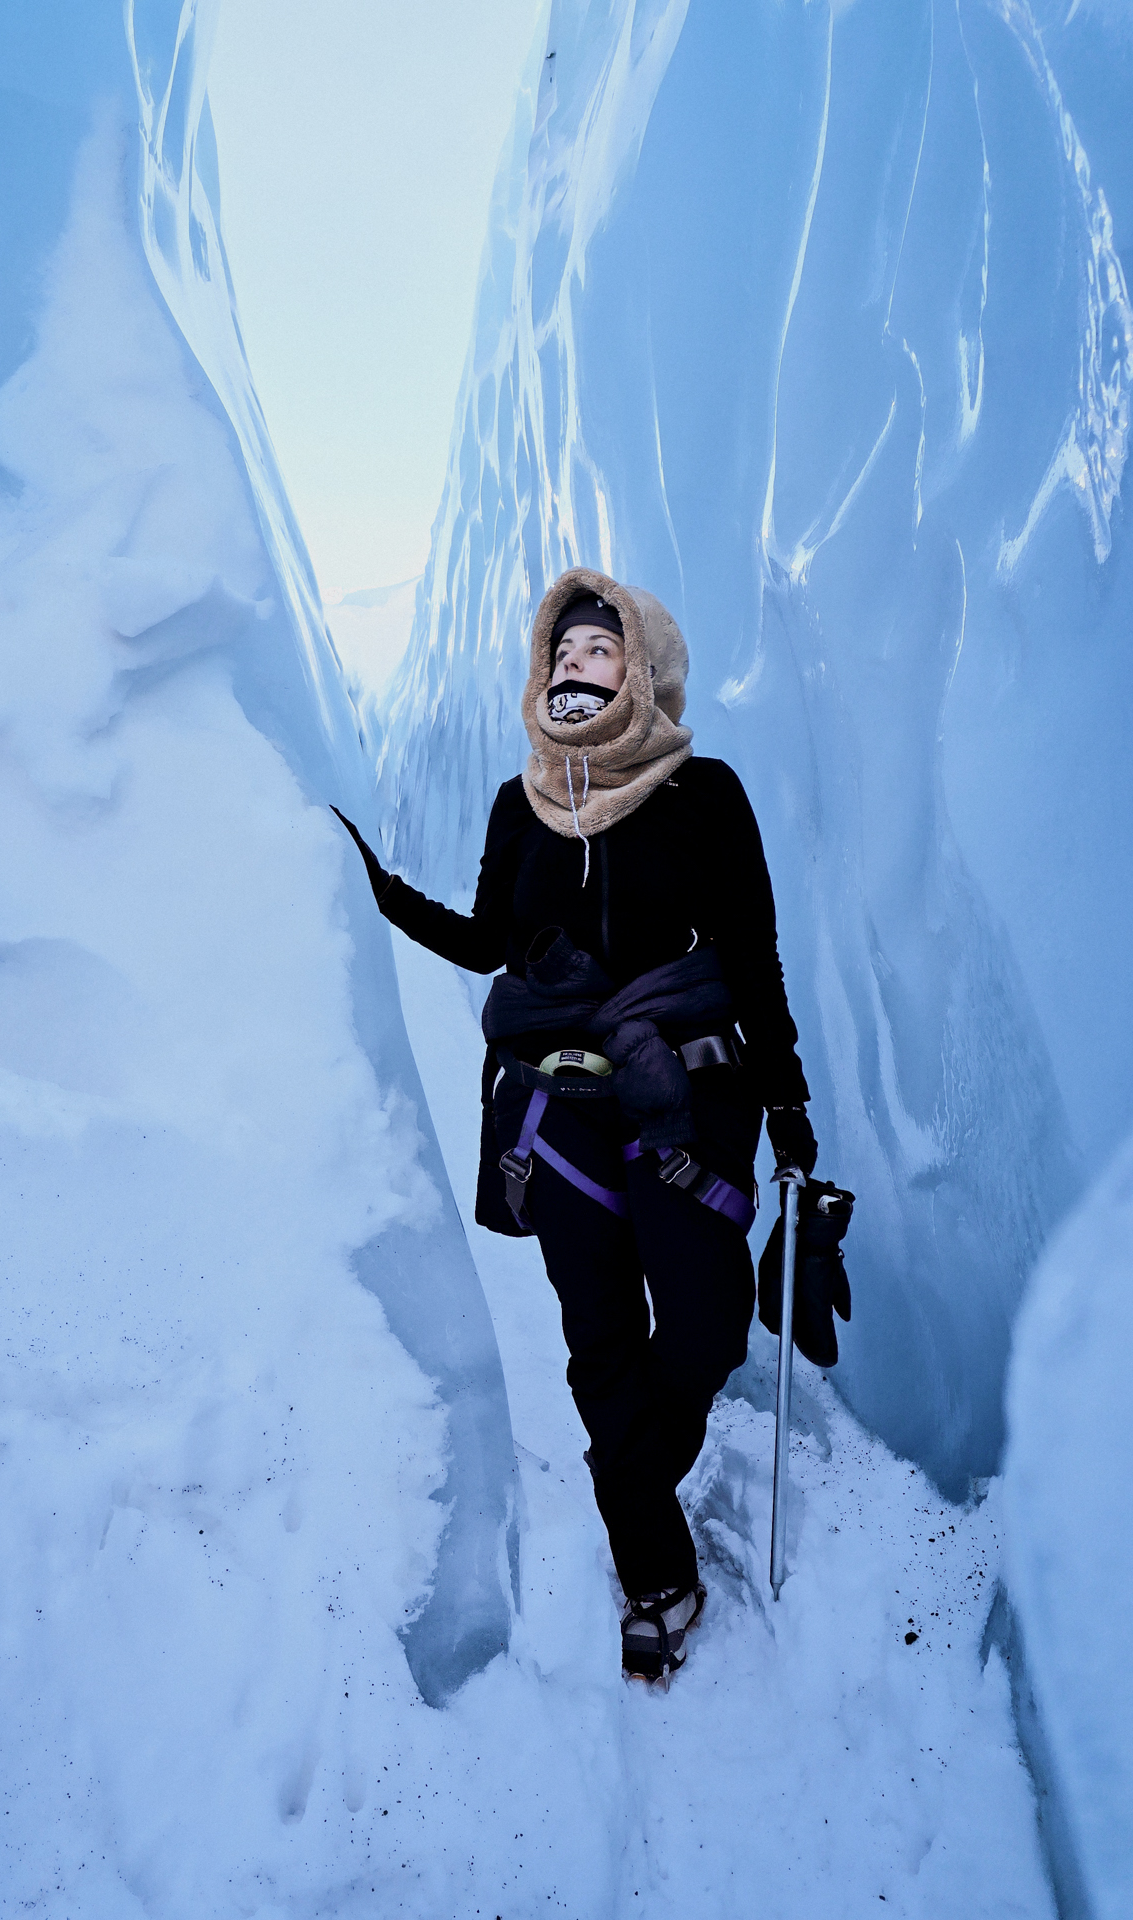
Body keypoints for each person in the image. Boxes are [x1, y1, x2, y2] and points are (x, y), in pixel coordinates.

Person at [335, 567, 817, 1683]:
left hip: (688, 1103)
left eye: (598, 651)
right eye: (561, 652)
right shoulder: (521, 805)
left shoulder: (706, 796)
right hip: (559, 1109)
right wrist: (373, 888)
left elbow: (751, 959)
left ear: (643, 668)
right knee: (599, 1341)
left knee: (702, 1331)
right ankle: (658, 1575)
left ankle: (634, 1485)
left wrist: (789, 1110)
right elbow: (487, 938)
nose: (572, 665)